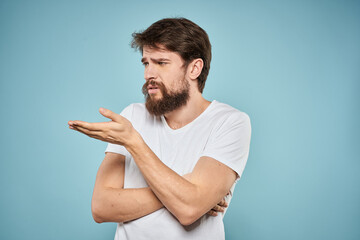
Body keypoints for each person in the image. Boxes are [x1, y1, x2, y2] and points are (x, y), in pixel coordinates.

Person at [68, 17, 251, 240]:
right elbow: (101, 207)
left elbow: (188, 210)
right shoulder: (132, 116)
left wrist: (134, 143)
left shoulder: (230, 122)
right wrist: (187, 191)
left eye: (161, 63)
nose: (148, 75)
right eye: (146, 63)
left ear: (194, 68)